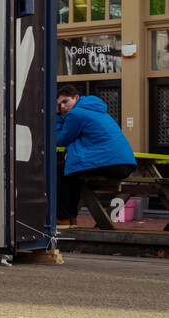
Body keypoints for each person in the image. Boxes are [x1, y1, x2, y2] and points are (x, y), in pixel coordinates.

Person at [55, 85, 136, 226]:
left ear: (76, 98)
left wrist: (56, 117)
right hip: (125, 164)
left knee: (60, 171)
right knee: (71, 174)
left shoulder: (76, 114)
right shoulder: (95, 109)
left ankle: (64, 219)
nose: (62, 107)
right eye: (59, 104)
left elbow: (61, 139)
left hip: (112, 163)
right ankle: (70, 219)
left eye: (65, 102)